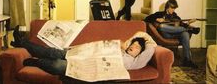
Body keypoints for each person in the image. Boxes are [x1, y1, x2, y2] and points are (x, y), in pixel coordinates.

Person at [11, 26, 157, 75]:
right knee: (54, 52)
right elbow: (138, 34)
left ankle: (36, 63)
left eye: (138, 47)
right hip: (84, 55)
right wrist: (127, 43)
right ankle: (21, 42)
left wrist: (139, 42)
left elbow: (148, 41)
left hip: (87, 67)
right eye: (134, 44)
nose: (134, 47)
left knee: (57, 64)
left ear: (140, 53)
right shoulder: (121, 48)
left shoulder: (135, 62)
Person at [144, 0, 200, 68]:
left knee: (185, 33)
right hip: (166, 35)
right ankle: (188, 29)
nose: (173, 10)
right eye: (172, 8)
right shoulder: (159, 14)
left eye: (174, 8)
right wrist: (157, 19)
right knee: (161, 26)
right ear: (167, 7)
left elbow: (181, 24)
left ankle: (187, 60)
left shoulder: (175, 16)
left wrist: (188, 23)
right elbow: (146, 19)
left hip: (176, 34)